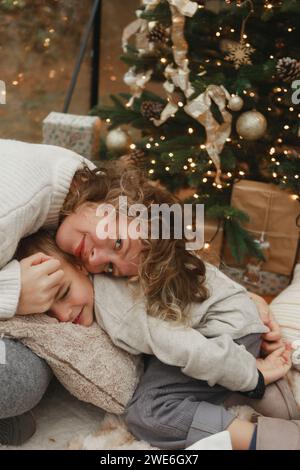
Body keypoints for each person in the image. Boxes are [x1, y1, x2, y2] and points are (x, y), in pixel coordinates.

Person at [15, 230, 300, 450]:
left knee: (149, 413)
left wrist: (252, 378)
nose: (63, 315)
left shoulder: (120, 312)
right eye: (49, 313)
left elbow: (188, 348)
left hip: (221, 338)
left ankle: (274, 440)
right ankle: (273, 399)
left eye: (63, 294)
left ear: (81, 266)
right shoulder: (114, 275)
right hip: (227, 325)